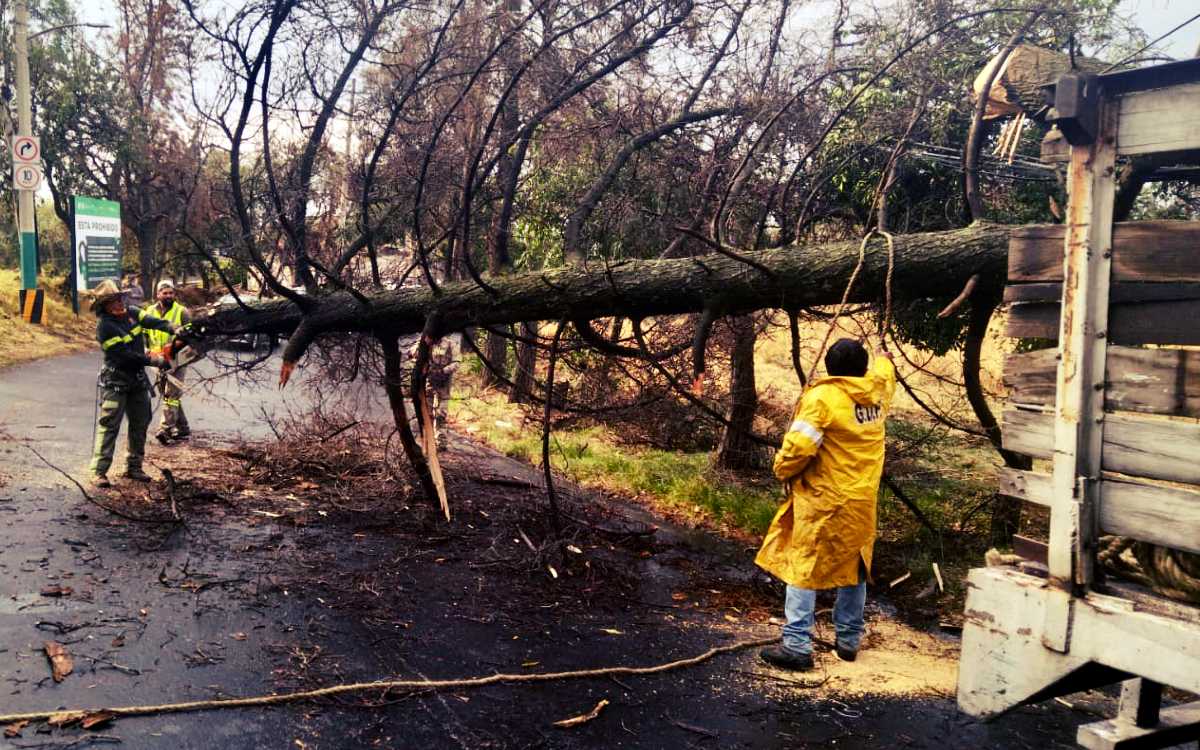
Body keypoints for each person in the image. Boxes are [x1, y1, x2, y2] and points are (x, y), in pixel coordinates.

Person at [756, 338, 896, 671]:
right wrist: (885, 359)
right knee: (855, 567)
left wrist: (781, 471)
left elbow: (799, 450)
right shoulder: (875, 392)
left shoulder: (821, 398)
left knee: (803, 567)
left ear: (829, 369)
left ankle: (797, 647)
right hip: (861, 502)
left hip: (824, 501)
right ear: (863, 368)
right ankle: (848, 643)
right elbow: (886, 376)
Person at [88, 279, 176, 488]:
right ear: (104, 306)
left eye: (119, 298)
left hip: (137, 380)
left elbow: (152, 321)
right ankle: (98, 471)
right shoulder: (105, 327)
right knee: (109, 426)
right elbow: (124, 356)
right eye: (113, 301)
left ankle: (133, 467)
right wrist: (153, 359)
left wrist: (173, 328)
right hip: (115, 381)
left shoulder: (132, 312)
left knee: (140, 422)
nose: (119, 303)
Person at [143, 280, 192, 444]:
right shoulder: (149, 311)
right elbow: (143, 334)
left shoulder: (182, 312)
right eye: (165, 293)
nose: (169, 296)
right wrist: (145, 349)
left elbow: (191, 336)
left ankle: (165, 429)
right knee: (168, 395)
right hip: (157, 360)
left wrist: (175, 347)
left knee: (172, 395)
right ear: (158, 295)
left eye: (171, 293)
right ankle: (183, 428)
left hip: (178, 360)